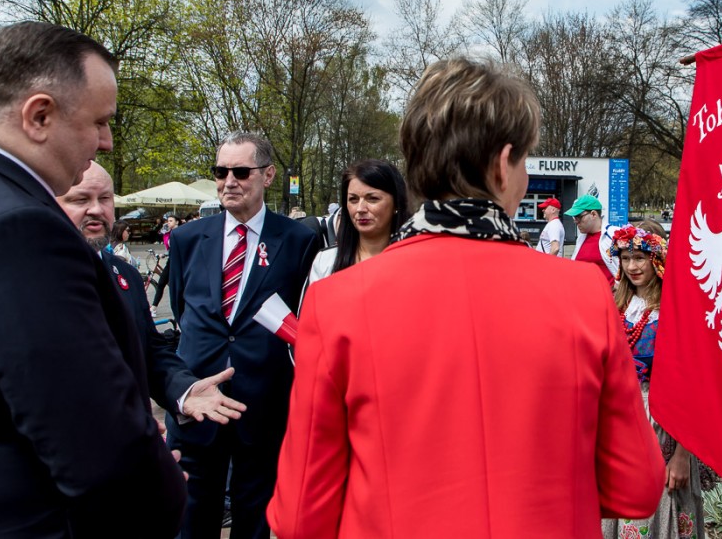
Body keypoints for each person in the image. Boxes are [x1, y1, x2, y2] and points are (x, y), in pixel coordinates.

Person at [268, 58, 664, 538]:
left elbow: (299, 515)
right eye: (524, 161)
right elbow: (635, 487)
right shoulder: (584, 294)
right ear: (502, 165)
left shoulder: (337, 302)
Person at [0, 21, 185, 537]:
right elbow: (97, 443)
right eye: (99, 122)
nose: (106, 142)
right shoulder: (18, 230)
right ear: (39, 116)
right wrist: (161, 491)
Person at [167, 131, 318, 539]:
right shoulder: (186, 239)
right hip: (199, 402)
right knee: (191, 519)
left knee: (255, 518)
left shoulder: (299, 240)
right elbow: (182, 307)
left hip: (264, 405)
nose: (228, 181)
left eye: (240, 172)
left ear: (268, 175)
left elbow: (302, 315)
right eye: (221, 172)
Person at [58, 162, 247, 425]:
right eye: (80, 199)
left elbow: (149, 351)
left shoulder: (127, 275)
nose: (96, 210)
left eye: (105, 199)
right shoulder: (26, 276)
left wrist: (184, 390)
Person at [601, 222, 706, 539]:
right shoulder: (616, 305)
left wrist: (682, 454)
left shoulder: (675, 311)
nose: (632, 267)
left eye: (639, 258)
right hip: (619, 421)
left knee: (660, 503)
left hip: (662, 423)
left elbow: (694, 384)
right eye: (625, 258)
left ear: (657, 258)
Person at [306, 159, 411, 285]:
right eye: (353, 199)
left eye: (372, 199)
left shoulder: (415, 262)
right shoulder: (325, 262)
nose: (360, 209)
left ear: (396, 203)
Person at [566, 193, 620, 285]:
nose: (576, 221)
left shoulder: (613, 235)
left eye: (579, 217)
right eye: (574, 218)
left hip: (607, 293)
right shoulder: (581, 238)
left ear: (593, 214)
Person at [153, 212, 179, 314]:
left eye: (171, 221)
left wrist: (166, 254)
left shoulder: (180, 233)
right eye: (168, 221)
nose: (168, 223)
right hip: (171, 261)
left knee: (176, 286)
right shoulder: (169, 233)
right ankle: (153, 307)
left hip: (178, 263)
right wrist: (165, 254)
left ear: (177, 222)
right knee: (161, 283)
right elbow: (169, 247)